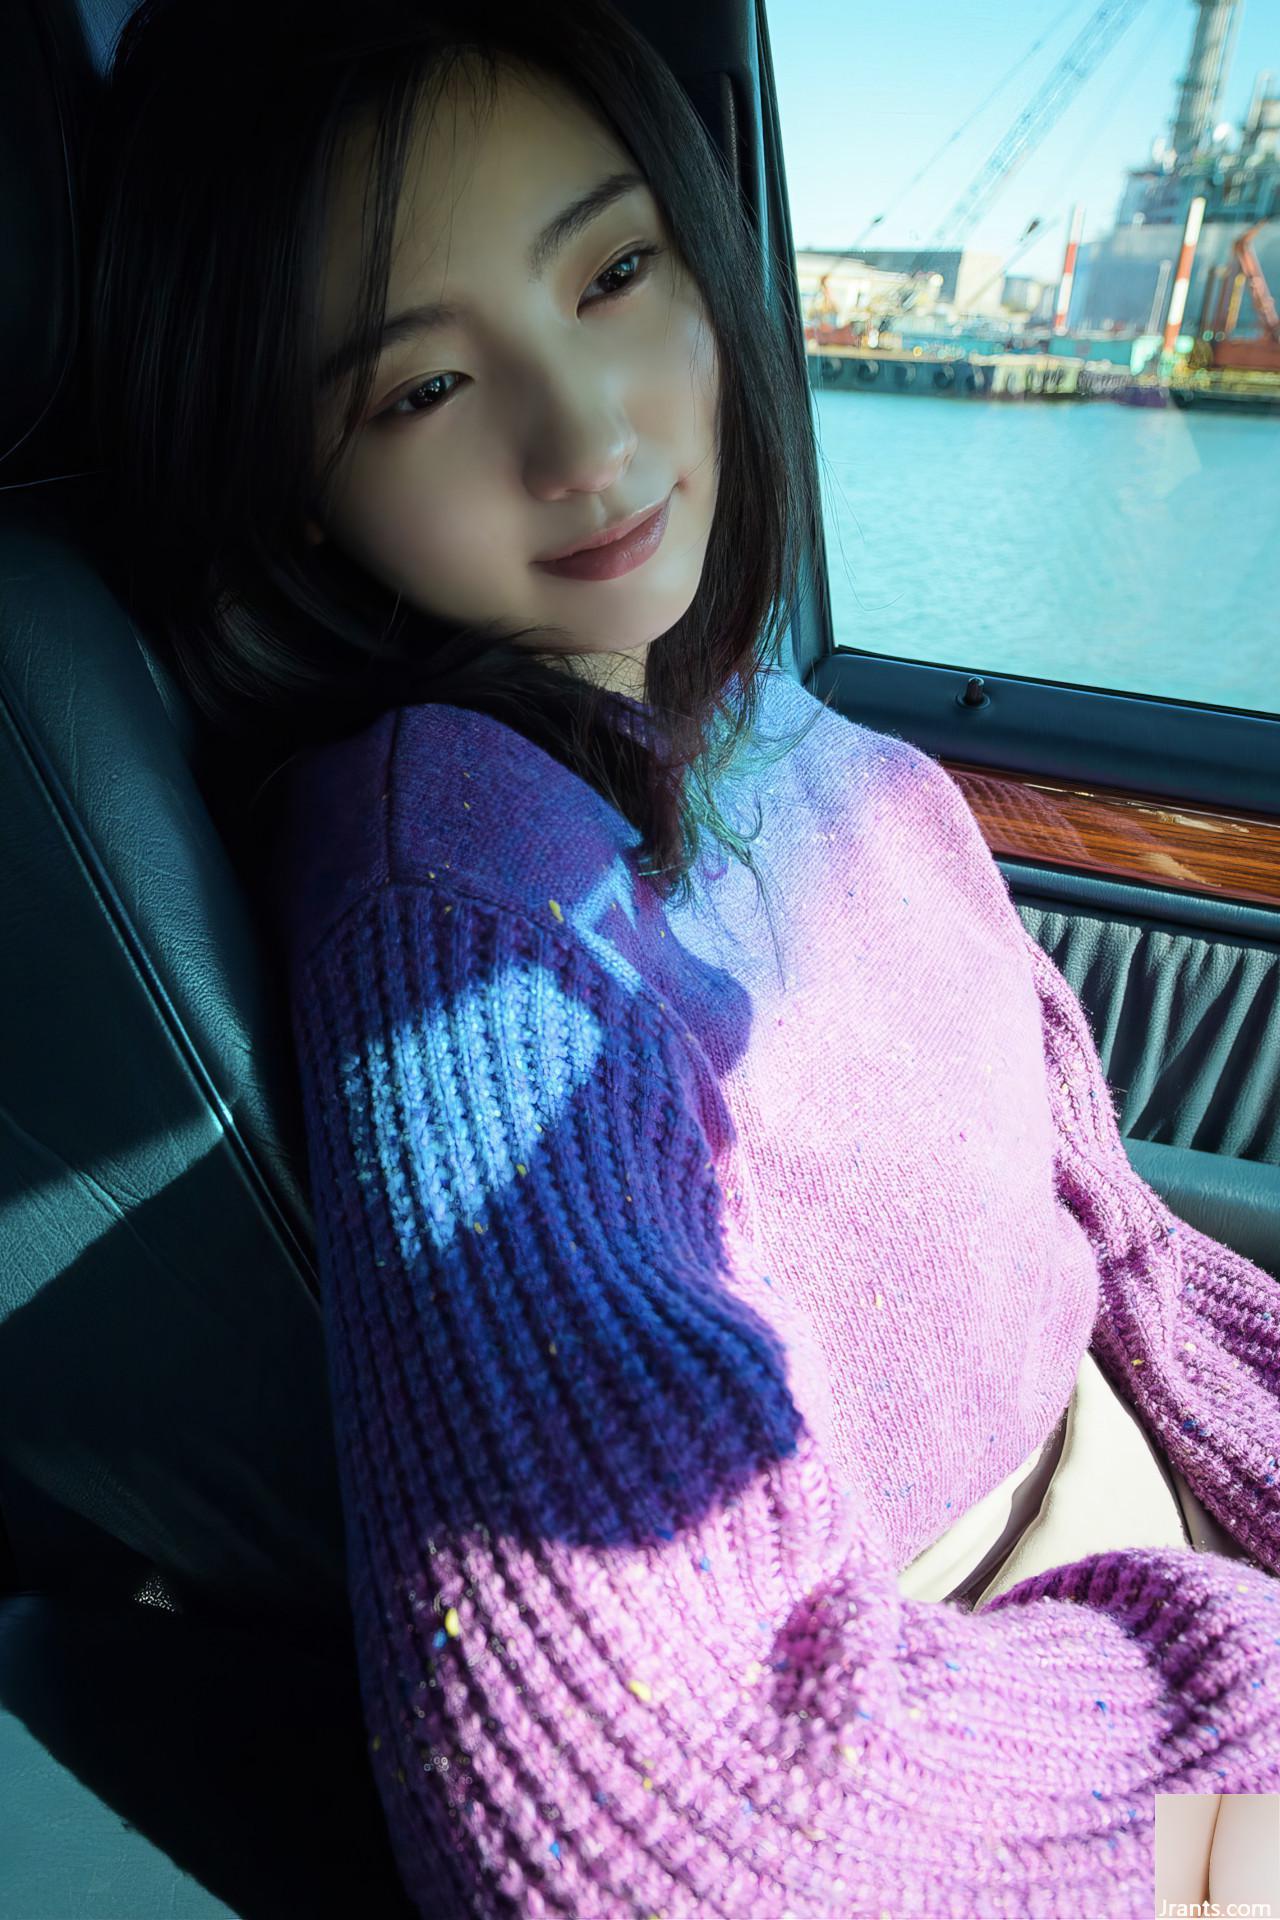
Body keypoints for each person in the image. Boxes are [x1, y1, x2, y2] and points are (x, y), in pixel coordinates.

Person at [81, 1, 1280, 1916]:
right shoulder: (462, 893)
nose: (591, 435)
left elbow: (1097, 1244)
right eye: (423, 386)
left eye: (616, 274)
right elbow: (664, 1811)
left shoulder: (747, 717)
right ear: (294, 477)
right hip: (1052, 1772)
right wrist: (1244, 1764)